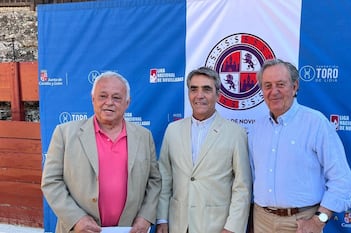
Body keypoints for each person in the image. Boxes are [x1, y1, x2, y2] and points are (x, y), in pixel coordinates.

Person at [41, 71, 161, 233]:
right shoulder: (65, 134)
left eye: (116, 98)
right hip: (80, 230)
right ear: (93, 100)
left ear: (127, 102)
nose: (109, 102)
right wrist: (76, 218)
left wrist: (146, 216)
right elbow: (51, 181)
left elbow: (154, 181)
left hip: (130, 229)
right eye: (102, 96)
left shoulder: (144, 136)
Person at [249, 59, 351, 233]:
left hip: (302, 224)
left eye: (280, 84)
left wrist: (319, 221)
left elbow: (341, 179)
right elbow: (252, 177)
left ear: (295, 86)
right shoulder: (256, 128)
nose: (273, 91)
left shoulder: (316, 123)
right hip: (262, 221)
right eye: (267, 85)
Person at [156, 67, 252, 233]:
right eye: (194, 89)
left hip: (217, 226)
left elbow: (242, 187)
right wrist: (162, 219)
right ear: (188, 94)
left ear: (218, 95)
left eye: (207, 89)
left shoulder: (236, 133)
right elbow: (165, 179)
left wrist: (232, 227)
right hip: (178, 225)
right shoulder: (173, 130)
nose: (199, 95)